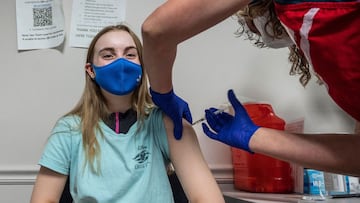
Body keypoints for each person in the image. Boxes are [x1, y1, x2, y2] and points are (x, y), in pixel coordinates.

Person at [141, 0, 360, 177]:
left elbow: (156, 30)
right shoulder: (324, 49)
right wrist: (255, 137)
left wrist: (163, 93)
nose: (255, 31)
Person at [30, 24, 225, 203]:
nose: (121, 63)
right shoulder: (69, 130)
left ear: (143, 65)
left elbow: (208, 198)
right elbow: (43, 200)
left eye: (130, 54)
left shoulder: (167, 123)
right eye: (108, 55)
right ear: (91, 70)